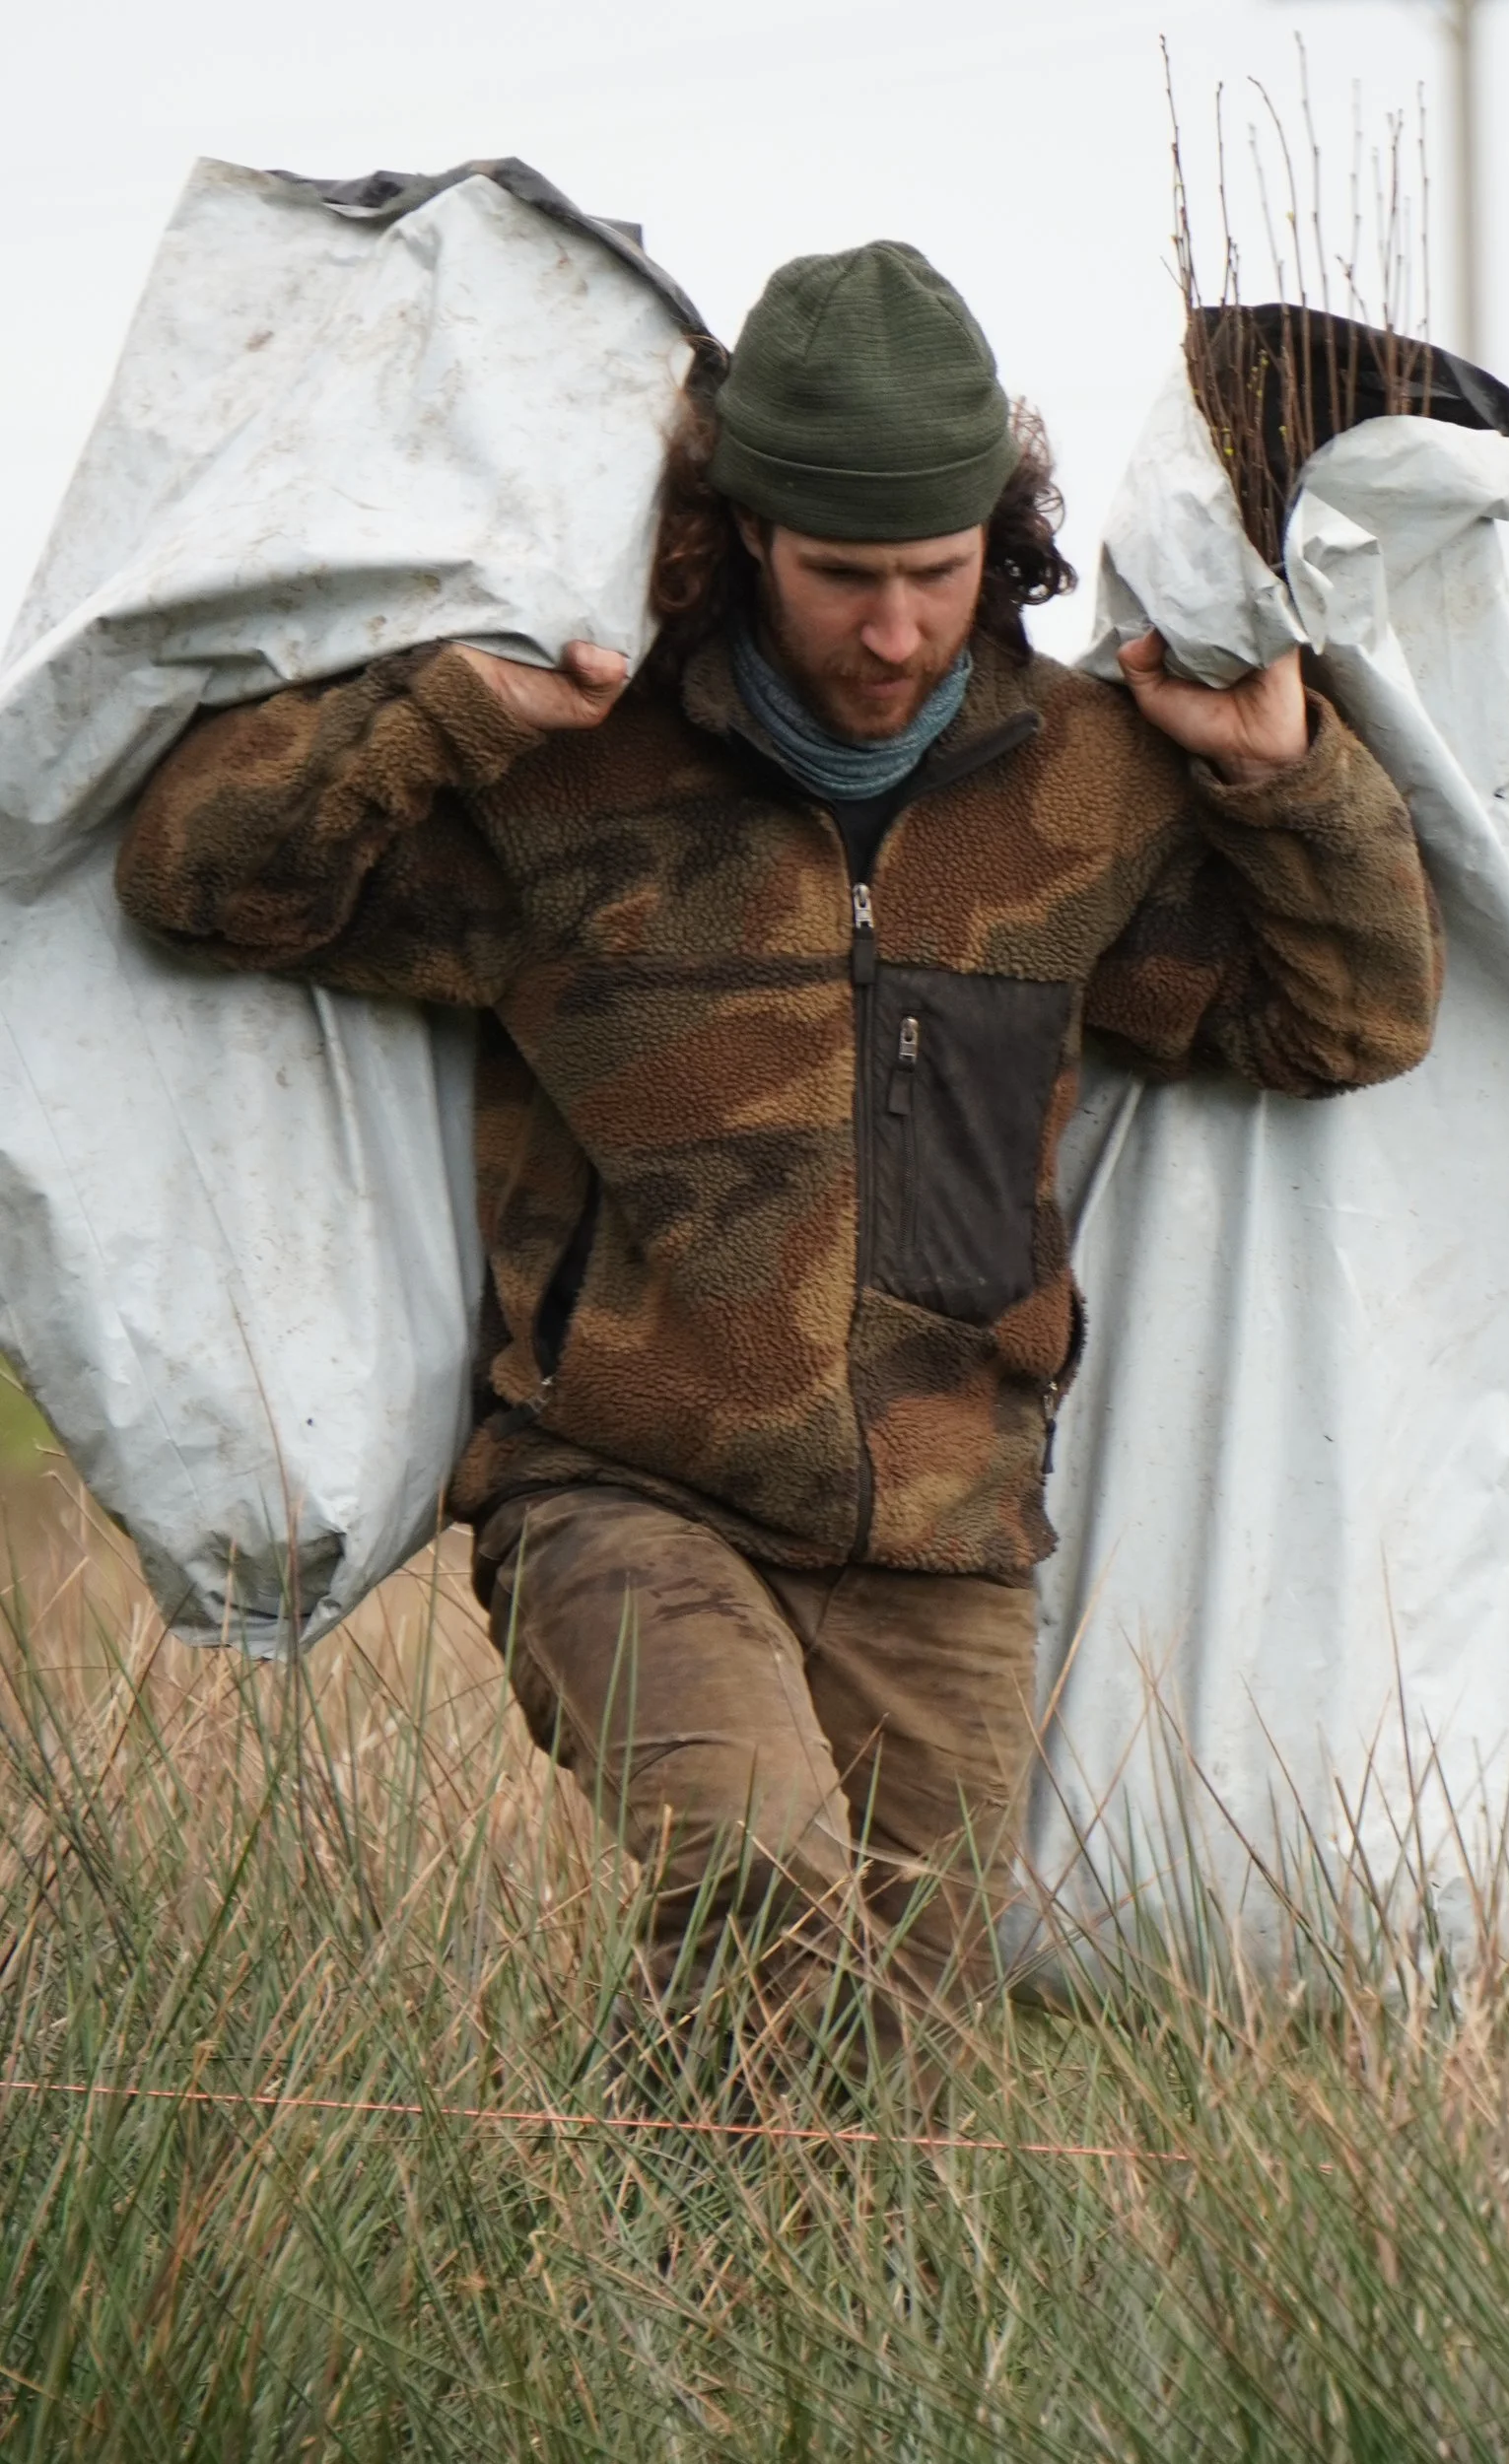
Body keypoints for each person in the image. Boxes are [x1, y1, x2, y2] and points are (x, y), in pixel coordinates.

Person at [114, 240, 1441, 2090]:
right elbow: (200, 884)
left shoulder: (1090, 784)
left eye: (935, 572)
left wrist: (1283, 776)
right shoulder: (575, 769)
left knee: (882, 2081)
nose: (893, 631)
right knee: (752, 1878)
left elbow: (1350, 1022)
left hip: (947, 1548)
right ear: (740, 538)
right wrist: (437, 721)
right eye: (840, 577)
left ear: (1003, 536)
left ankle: (643, 2328)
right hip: (620, 1493)